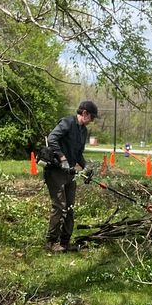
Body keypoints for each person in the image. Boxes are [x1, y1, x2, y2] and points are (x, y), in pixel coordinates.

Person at [43, 100, 97, 252]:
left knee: (70, 207)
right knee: (59, 206)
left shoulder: (83, 131)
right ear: (84, 113)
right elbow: (52, 138)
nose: (92, 121)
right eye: (91, 117)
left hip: (70, 173)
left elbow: (78, 153)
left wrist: (86, 167)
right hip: (56, 171)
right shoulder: (67, 123)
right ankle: (51, 242)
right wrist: (62, 158)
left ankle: (64, 243)